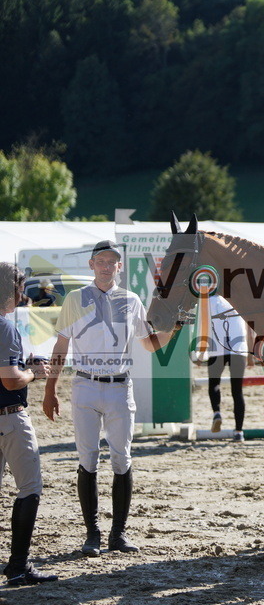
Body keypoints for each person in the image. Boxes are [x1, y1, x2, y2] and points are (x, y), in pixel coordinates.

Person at [42, 240, 175, 557]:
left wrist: (174, 329)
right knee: (87, 459)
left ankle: (118, 534)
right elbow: (61, 347)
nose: (105, 266)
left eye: (111, 261)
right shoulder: (75, 299)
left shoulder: (131, 300)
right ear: (91, 265)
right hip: (85, 385)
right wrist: (50, 389)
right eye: (100, 261)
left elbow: (149, 344)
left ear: (119, 266)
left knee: (121, 459)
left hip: (119, 387)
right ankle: (92, 534)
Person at [0, 262, 57, 586]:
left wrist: (22, 364)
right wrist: (33, 372)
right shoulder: (5, 327)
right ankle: (18, 566)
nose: (23, 295)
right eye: (20, 289)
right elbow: (10, 381)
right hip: (8, 416)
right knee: (30, 488)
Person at [205, 293, 253, 441]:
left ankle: (217, 412)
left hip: (216, 348)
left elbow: (203, 325)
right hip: (238, 348)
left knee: (214, 383)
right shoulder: (240, 298)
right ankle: (239, 432)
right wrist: (250, 354)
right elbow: (249, 328)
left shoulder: (208, 300)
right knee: (237, 391)